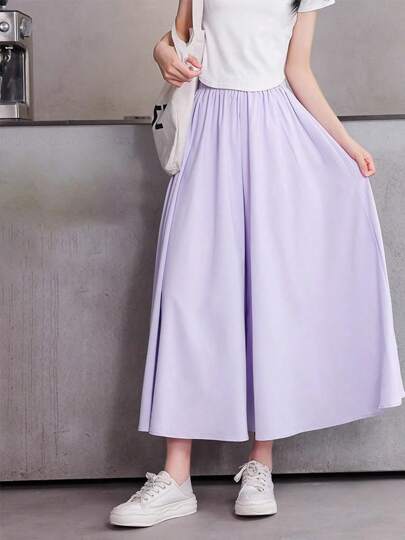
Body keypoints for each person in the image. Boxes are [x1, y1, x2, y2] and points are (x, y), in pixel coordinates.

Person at [110, 0, 405, 528]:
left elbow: (298, 71)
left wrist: (344, 143)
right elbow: (176, 38)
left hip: (273, 136)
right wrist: (161, 55)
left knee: (265, 294)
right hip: (206, 132)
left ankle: (260, 464)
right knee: (187, 295)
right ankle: (176, 477)